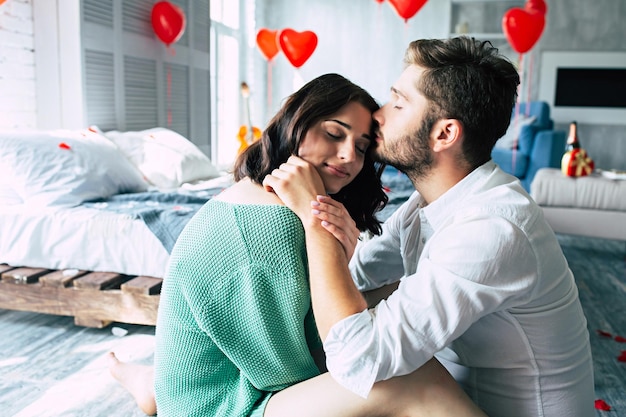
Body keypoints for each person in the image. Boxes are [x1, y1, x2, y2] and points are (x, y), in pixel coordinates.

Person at [109, 72, 486, 417]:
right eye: (334, 134)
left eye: (361, 146)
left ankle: (153, 386)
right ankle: (157, 388)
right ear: (296, 123)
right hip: (230, 405)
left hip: (228, 379)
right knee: (410, 378)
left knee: (396, 317)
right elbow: (293, 370)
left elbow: (307, 311)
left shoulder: (270, 198)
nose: (349, 157)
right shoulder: (270, 229)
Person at [263, 37, 595, 417]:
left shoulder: (492, 228)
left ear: (444, 134)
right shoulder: (431, 204)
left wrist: (315, 219)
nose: (378, 115)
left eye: (398, 103)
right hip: (455, 396)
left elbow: (356, 358)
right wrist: (341, 246)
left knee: (378, 371)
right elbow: (360, 277)